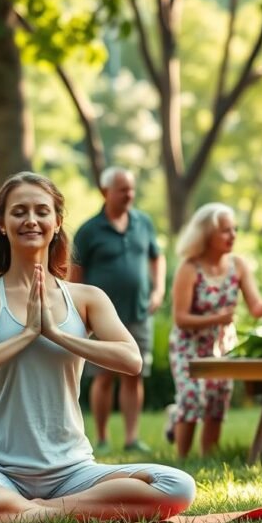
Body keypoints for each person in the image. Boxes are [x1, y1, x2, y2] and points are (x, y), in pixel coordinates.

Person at [0, 172, 195, 523]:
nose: (31, 220)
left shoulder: (87, 298)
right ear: (2, 223)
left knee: (177, 486)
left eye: (42, 211)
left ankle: (36, 511)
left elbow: (131, 360)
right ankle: (65, 510)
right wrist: (26, 334)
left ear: (57, 222)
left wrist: (56, 334)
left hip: (72, 468)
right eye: (19, 211)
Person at [168, 203, 262, 459]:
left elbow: (255, 307)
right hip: (189, 345)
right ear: (206, 234)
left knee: (217, 401)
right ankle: (181, 459)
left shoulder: (238, 265)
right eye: (225, 231)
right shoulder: (189, 268)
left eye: (235, 230)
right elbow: (181, 318)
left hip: (223, 345)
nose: (233, 236)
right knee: (192, 399)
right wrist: (218, 317)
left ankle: (209, 458)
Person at [71, 167, 166, 454]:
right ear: (105, 192)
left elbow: (156, 257)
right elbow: (75, 272)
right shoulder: (89, 231)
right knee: (102, 376)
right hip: (101, 320)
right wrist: (78, 309)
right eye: (123, 189)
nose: (129, 195)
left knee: (134, 373)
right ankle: (100, 438)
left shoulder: (143, 223)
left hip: (138, 313)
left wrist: (158, 289)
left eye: (132, 188)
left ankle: (131, 437)